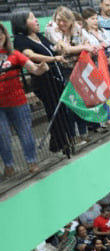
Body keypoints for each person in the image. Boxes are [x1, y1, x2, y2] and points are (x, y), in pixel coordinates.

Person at [10, 9, 74, 154]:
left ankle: (58, 142)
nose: (36, 20)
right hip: (44, 82)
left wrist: (59, 49)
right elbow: (30, 55)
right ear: (22, 23)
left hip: (56, 78)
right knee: (55, 111)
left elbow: (52, 49)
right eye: (31, 18)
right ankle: (64, 143)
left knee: (63, 111)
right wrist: (54, 59)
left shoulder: (39, 36)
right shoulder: (20, 40)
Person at [0, 22, 48, 176]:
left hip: (17, 101)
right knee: (3, 137)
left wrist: (41, 68)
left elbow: (34, 69)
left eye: (1, 32)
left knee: (25, 133)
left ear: (5, 35)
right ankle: (8, 165)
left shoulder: (14, 54)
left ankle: (32, 161)